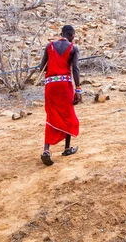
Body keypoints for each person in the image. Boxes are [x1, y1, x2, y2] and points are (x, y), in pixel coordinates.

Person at [38, 25, 82, 166]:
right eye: (73, 36)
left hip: (50, 85)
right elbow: (75, 69)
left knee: (51, 115)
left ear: (61, 33)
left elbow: (42, 67)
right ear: (71, 35)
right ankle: (67, 148)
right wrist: (78, 89)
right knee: (68, 115)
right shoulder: (73, 48)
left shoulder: (49, 46)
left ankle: (46, 150)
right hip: (65, 86)